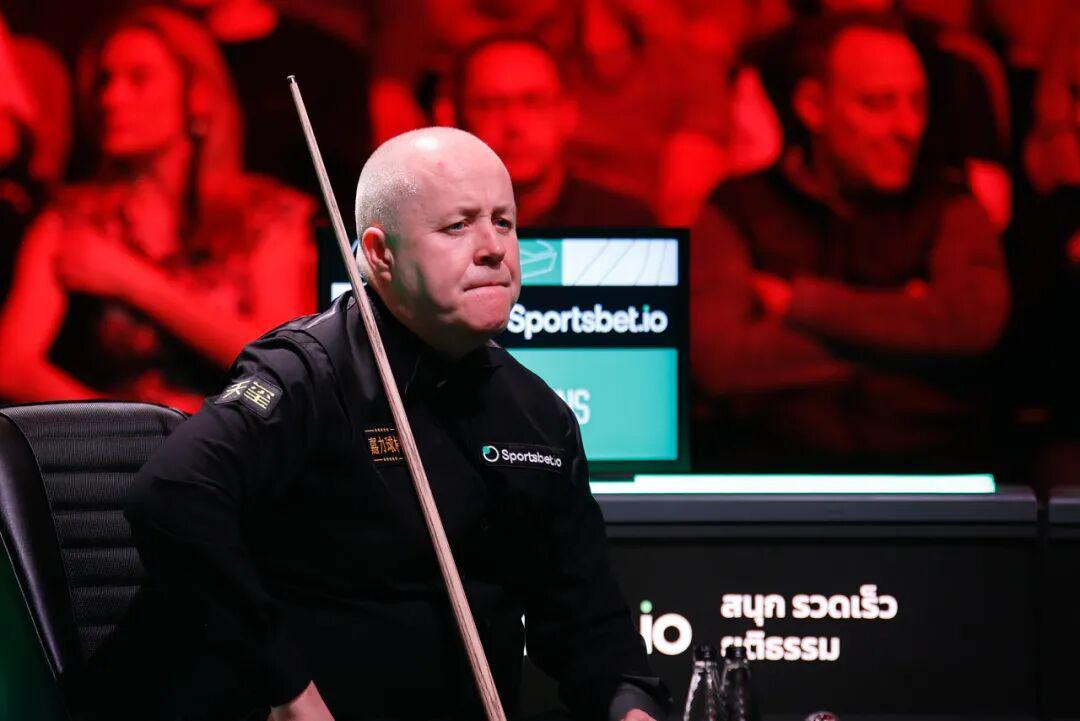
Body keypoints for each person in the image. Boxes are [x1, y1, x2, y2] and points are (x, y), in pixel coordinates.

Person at [77, 127, 667, 721]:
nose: (493, 247)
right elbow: (171, 495)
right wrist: (289, 693)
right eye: (457, 226)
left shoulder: (538, 417)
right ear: (381, 253)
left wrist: (631, 706)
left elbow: (589, 625)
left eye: (503, 222)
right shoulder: (304, 374)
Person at [690, 14, 1010, 471]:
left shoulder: (950, 205)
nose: (908, 128)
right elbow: (720, 363)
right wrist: (906, 320)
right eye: (878, 104)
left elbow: (972, 328)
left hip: (933, 474)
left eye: (918, 102)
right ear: (813, 106)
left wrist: (803, 304)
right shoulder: (736, 208)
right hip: (766, 476)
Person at [0, 6, 315, 414]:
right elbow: (11, 366)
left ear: (197, 95)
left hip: (237, 442)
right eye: (104, 80)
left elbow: (283, 365)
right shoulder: (72, 218)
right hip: (116, 444)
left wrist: (131, 281)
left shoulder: (266, 214)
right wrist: (131, 426)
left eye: (139, 78)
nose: (111, 98)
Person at [454, 35, 655, 227]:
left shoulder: (624, 223)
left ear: (569, 114)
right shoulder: (435, 220)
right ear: (456, 118)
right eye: (490, 105)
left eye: (534, 102)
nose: (514, 125)